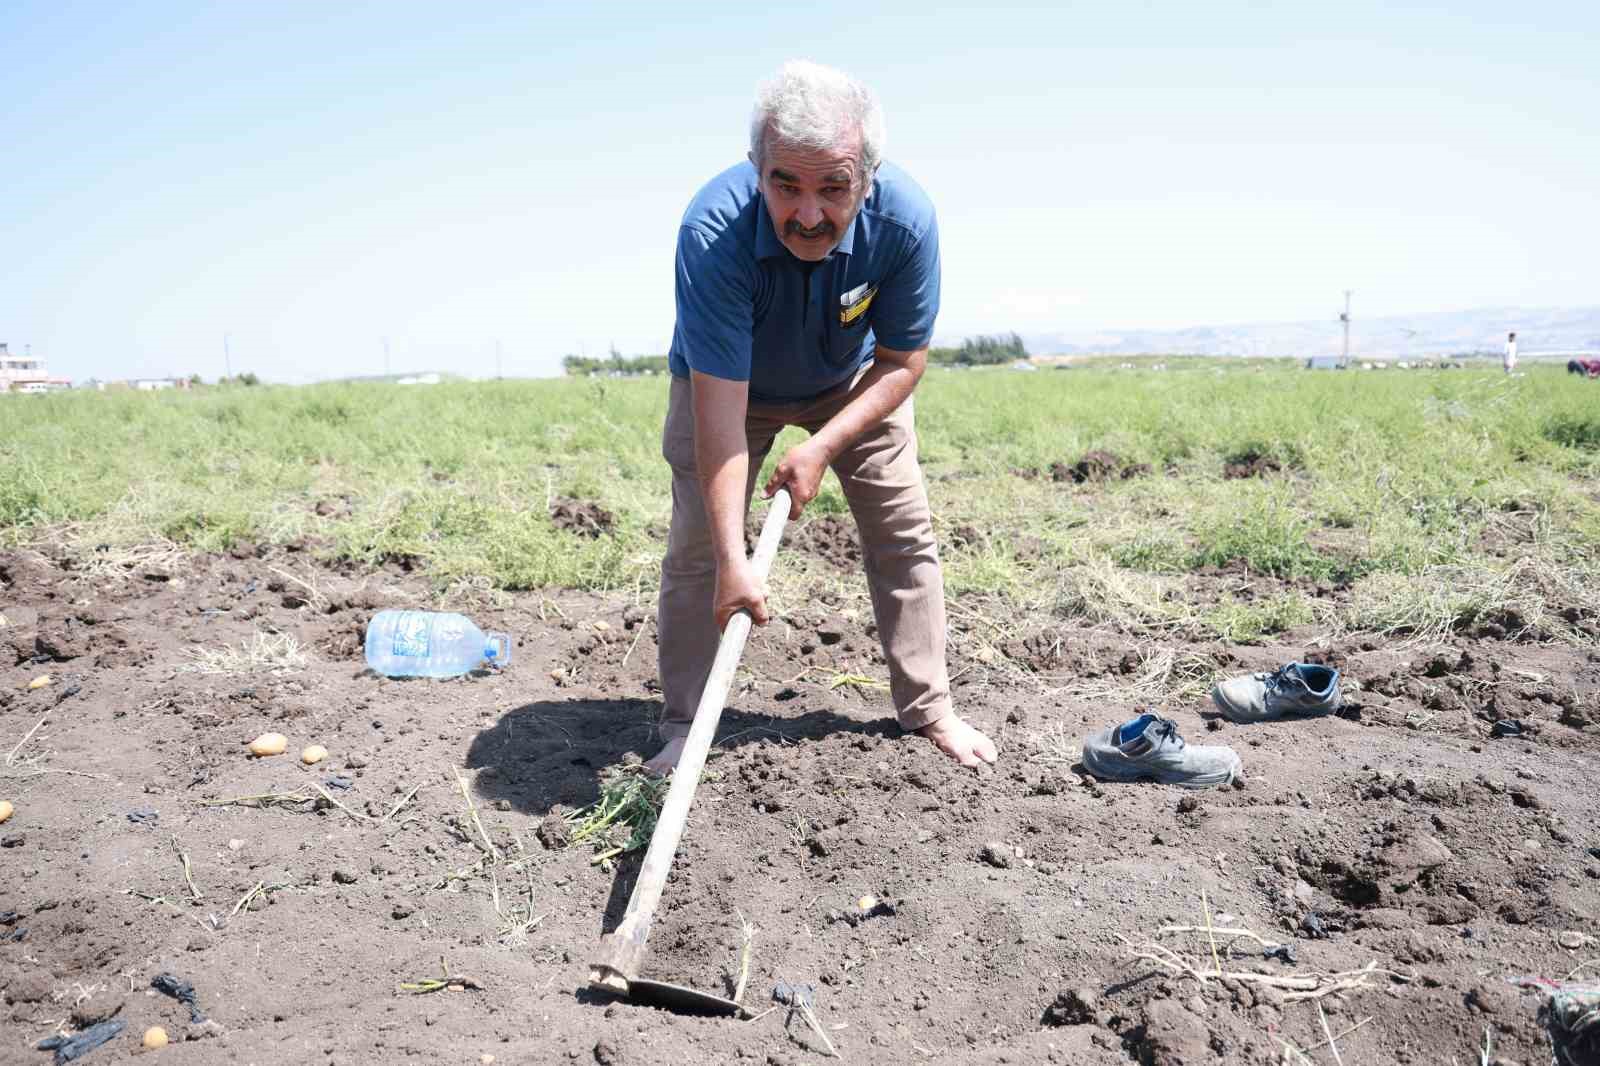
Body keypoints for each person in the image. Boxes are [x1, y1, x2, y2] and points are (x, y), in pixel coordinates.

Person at [647, 60, 998, 775]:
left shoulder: (904, 221)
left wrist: (825, 448)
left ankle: (930, 710)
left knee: (904, 532)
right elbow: (718, 420)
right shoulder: (713, 233)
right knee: (697, 552)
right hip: (731, 390)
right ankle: (685, 725)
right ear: (757, 170)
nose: (808, 214)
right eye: (786, 185)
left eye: (833, 188)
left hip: (852, 380)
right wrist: (733, 562)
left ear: (866, 177)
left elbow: (902, 362)